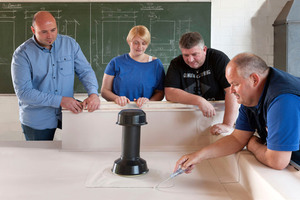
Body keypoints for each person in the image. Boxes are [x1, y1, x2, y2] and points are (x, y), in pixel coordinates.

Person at [174, 52, 300, 172]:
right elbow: (237, 139)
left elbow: (277, 161)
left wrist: (252, 145)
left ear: (254, 79)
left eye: (235, 84)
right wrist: (197, 156)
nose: (231, 90)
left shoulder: (283, 99)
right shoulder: (251, 96)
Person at [11, 11, 100, 141]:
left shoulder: (70, 44)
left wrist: (93, 94)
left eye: (53, 30)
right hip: (37, 119)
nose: (50, 36)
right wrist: (60, 100)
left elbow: (85, 71)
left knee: (81, 150)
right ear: (33, 30)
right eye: (44, 32)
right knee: (41, 158)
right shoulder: (22, 54)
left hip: (69, 112)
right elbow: (24, 93)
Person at [165, 32, 238, 135]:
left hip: (218, 115)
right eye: (186, 55)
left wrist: (227, 124)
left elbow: (232, 91)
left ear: (204, 50)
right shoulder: (176, 63)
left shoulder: (218, 58)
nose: (190, 60)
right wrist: (199, 100)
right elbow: (170, 93)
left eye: (194, 54)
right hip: (186, 120)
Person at [101, 25, 165, 108]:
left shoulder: (156, 64)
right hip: (119, 110)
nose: (140, 47)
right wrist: (117, 98)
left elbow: (160, 92)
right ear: (129, 41)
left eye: (144, 43)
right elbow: (104, 91)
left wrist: (148, 102)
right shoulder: (115, 62)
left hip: (146, 112)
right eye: (136, 42)